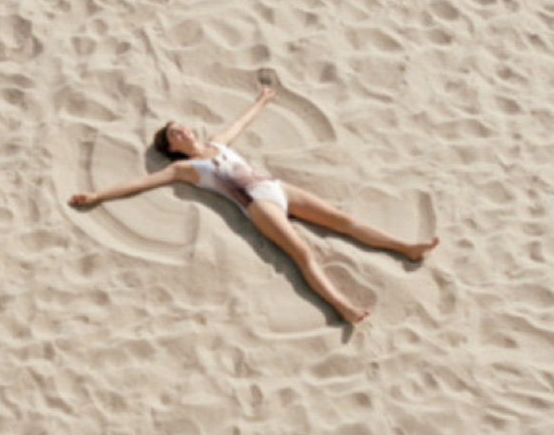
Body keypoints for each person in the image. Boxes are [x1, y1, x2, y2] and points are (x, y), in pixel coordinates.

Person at [69, 87, 439, 324]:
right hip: (256, 205)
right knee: (303, 252)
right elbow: (142, 182)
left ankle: (406, 247)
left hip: (277, 187)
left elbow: (240, 124)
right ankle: (343, 306)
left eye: (181, 127)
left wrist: (262, 100)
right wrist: (98, 196)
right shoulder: (183, 169)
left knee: (341, 219)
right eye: (172, 134)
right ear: (171, 148)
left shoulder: (218, 142)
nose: (181, 131)